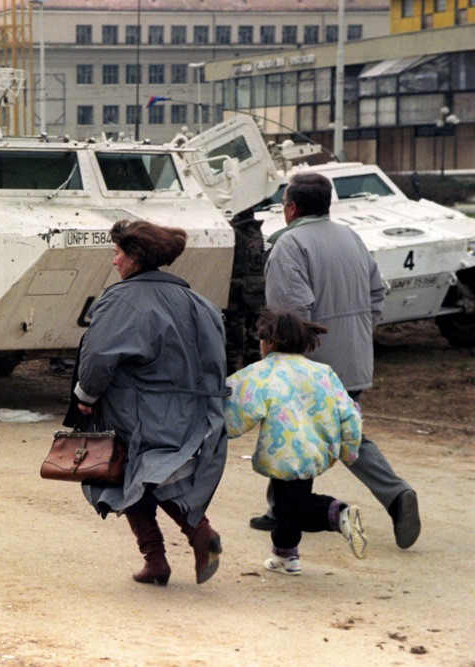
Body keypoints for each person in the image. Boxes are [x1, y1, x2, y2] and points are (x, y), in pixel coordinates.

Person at [253, 171, 421, 549]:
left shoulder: (290, 245)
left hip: (310, 365)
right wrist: (356, 333)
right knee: (339, 430)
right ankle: (278, 508)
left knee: (295, 435)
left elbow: (288, 318)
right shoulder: (352, 238)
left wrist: (271, 363)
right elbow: (378, 294)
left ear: (291, 207)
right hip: (355, 359)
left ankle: (394, 495)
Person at [65, 219, 229, 586]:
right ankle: (158, 561)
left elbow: (97, 357)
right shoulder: (198, 301)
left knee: (132, 476)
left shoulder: (121, 299)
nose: (113, 262)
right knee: (137, 478)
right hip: (189, 412)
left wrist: (85, 398)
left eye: (117, 253)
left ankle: (195, 536)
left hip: (137, 413)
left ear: (135, 257)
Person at [225, 309, 366, 575]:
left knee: (292, 509)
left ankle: (338, 512)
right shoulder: (323, 372)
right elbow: (349, 413)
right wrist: (349, 449)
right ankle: (286, 556)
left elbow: (234, 405)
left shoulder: (262, 373)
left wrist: (215, 429)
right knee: (287, 506)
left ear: (270, 342)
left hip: (282, 453)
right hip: (315, 452)